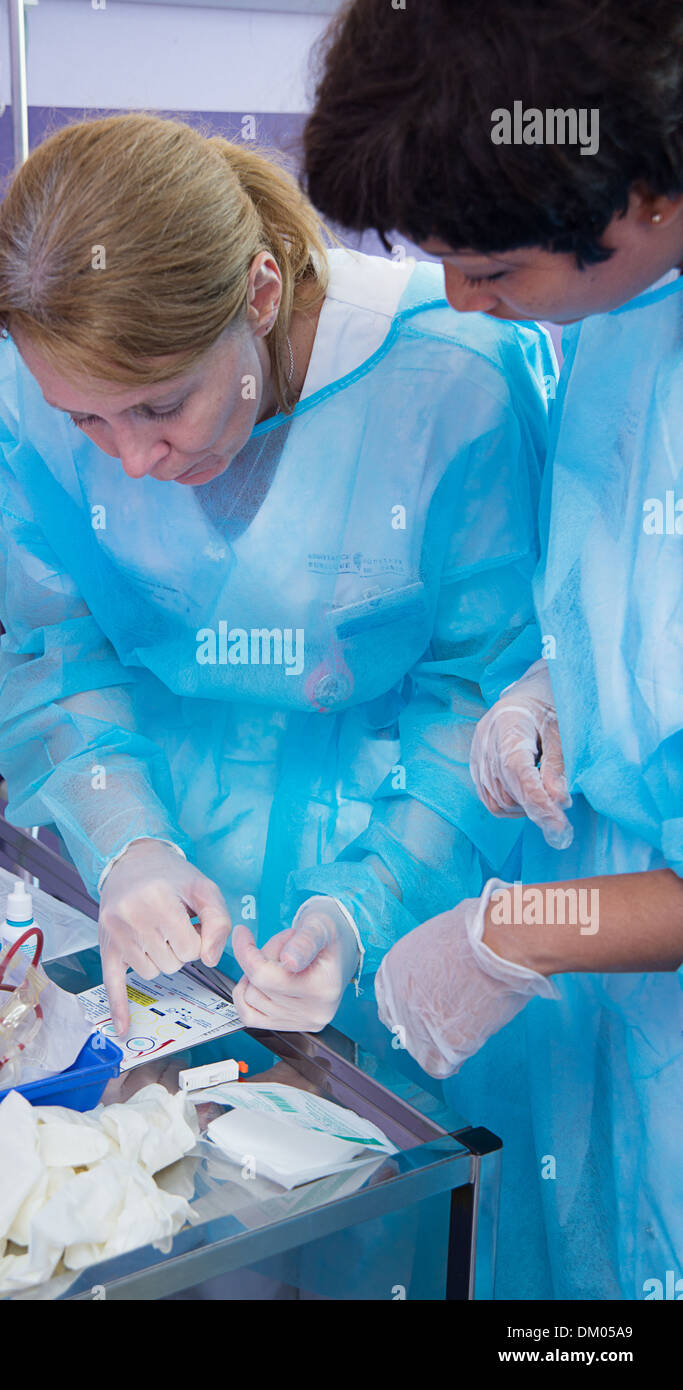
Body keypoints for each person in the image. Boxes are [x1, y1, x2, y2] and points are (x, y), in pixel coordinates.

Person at [0, 113, 553, 1057]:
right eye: (87, 423)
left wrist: (360, 911)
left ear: (261, 295)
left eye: (163, 406)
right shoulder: (26, 391)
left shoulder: (449, 379)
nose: (133, 461)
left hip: (409, 858)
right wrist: (126, 841)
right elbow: (56, 652)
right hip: (157, 855)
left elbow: (483, 698)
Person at [303, 0, 683, 1299]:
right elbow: (622, 581)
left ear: (640, 188)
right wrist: (559, 683)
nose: (465, 304)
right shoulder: (617, 306)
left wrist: (520, 925)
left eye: (491, 269)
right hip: (622, 1024)